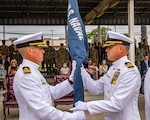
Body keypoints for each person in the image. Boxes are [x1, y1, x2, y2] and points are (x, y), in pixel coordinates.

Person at [12, 32, 85, 120]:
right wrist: (73, 117)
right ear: (30, 51)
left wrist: (71, 80)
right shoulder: (26, 76)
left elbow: (51, 92)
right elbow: (42, 109)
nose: (43, 51)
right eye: (40, 48)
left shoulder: (33, 71)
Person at [71, 31, 141, 120]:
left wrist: (87, 106)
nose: (106, 50)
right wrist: (81, 70)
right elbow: (95, 88)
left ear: (120, 49)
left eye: (110, 47)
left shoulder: (129, 71)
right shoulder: (113, 68)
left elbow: (117, 104)